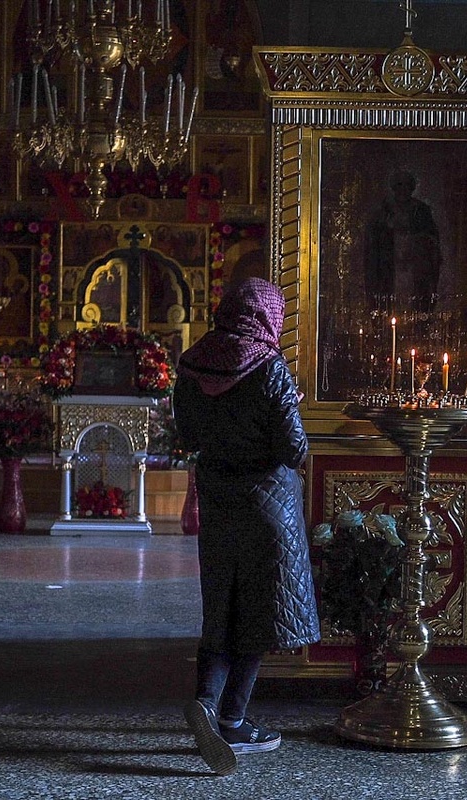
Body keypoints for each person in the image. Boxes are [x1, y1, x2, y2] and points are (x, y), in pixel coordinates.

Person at [173, 278, 320, 775]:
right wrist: (289, 403)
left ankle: (205, 703)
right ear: (267, 317)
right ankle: (233, 719)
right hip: (267, 506)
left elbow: (189, 436)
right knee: (260, 613)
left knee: (220, 609)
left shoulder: (193, 363)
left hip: (218, 502)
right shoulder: (269, 367)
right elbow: (294, 449)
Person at [363, 170, 442, 312]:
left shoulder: (422, 210)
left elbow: (432, 239)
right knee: (388, 302)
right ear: (394, 188)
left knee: (415, 303)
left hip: (414, 267)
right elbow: (373, 242)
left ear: (411, 188)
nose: (403, 190)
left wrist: (415, 239)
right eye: (399, 185)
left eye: (407, 186)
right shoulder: (384, 210)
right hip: (390, 266)